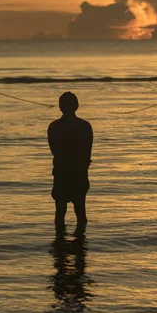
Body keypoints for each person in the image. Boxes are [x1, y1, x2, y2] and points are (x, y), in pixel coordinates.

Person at [47, 92, 93, 233]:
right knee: (80, 211)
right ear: (77, 106)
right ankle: (81, 245)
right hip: (79, 173)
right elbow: (87, 152)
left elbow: (54, 150)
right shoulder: (85, 126)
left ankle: (60, 247)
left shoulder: (54, 127)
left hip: (62, 173)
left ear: (60, 107)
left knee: (60, 212)